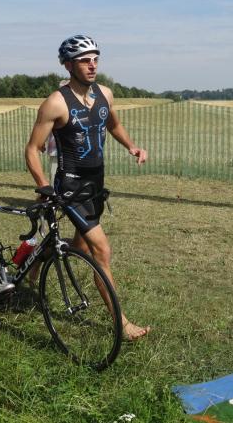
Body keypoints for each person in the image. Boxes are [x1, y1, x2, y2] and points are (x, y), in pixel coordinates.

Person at [23, 35, 151, 341]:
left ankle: (38, 254)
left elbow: (113, 124)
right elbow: (32, 149)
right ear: (68, 65)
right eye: (84, 60)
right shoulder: (55, 103)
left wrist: (131, 146)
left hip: (96, 184)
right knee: (101, 251)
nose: (92, 65)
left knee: (80, 249)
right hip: (70, 187)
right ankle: (121, 324)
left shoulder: (105, 94)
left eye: (95, 59)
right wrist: (43, 186)